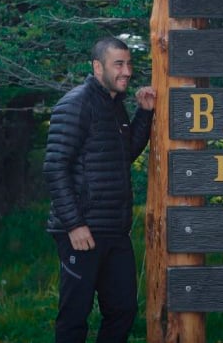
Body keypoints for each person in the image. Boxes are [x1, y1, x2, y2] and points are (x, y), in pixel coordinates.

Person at [43, 37, 156, 343]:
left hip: (114, 230)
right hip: (81, 232)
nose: (127, 71)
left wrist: (144, 114)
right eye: (118, 64)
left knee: (123, 310)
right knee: (74, 316)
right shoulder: (76, 104)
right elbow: (55, 166)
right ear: (97, 67)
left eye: (129, 63)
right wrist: (74, 224)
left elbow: (122, 155)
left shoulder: (114, 105)